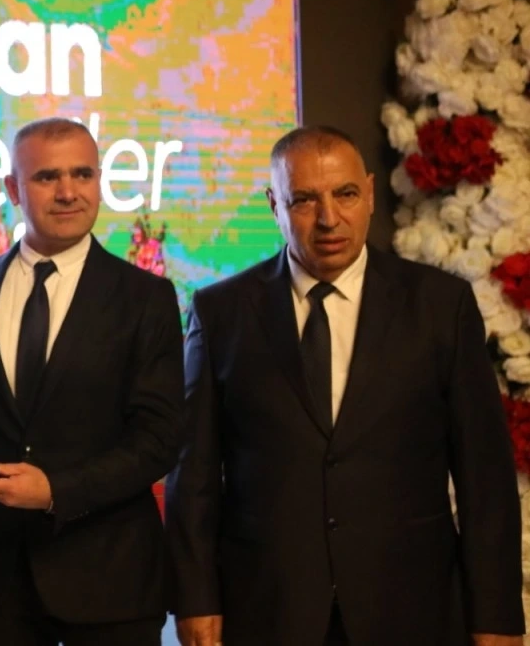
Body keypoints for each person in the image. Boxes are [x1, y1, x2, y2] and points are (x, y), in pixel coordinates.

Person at [165, 125, 524, 646]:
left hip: (411, 607)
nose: (329, 218)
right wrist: (196, 598)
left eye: (346, 194)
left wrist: (497, 615)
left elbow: (484, 475)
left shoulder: (440, 306)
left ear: (371, 194)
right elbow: (193, 474)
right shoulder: (221, 311)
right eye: (304, 200)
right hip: (268, 606)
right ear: (274, 205)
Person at [0, 117, 184, 646]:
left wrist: (55, 491)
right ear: (13, 189)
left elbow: (160, 439)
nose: (68, 192)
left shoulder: (147, 298)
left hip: (110, 582)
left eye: (83, 174)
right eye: (47, 177)